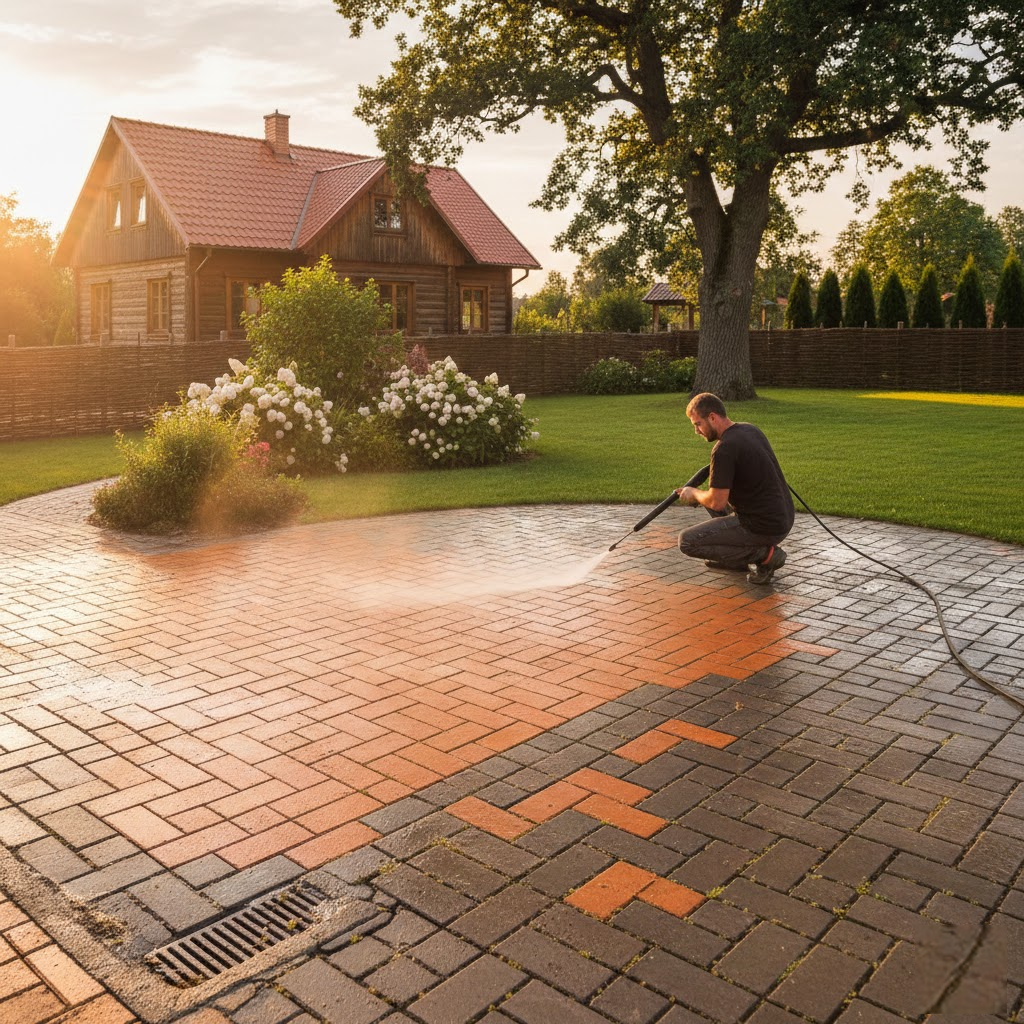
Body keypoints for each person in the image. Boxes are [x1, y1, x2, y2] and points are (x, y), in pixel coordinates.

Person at [675, 392, 794, 585]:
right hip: (783, 516)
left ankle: (765, 555)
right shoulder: (749, 429)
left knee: (687, 541)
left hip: (763, 526)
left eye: (698, 424)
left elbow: (717, 501)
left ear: (712, 417)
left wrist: (694, 493)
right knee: (710, 498)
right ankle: (736, 561)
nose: (697, 431)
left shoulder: (724, 448)